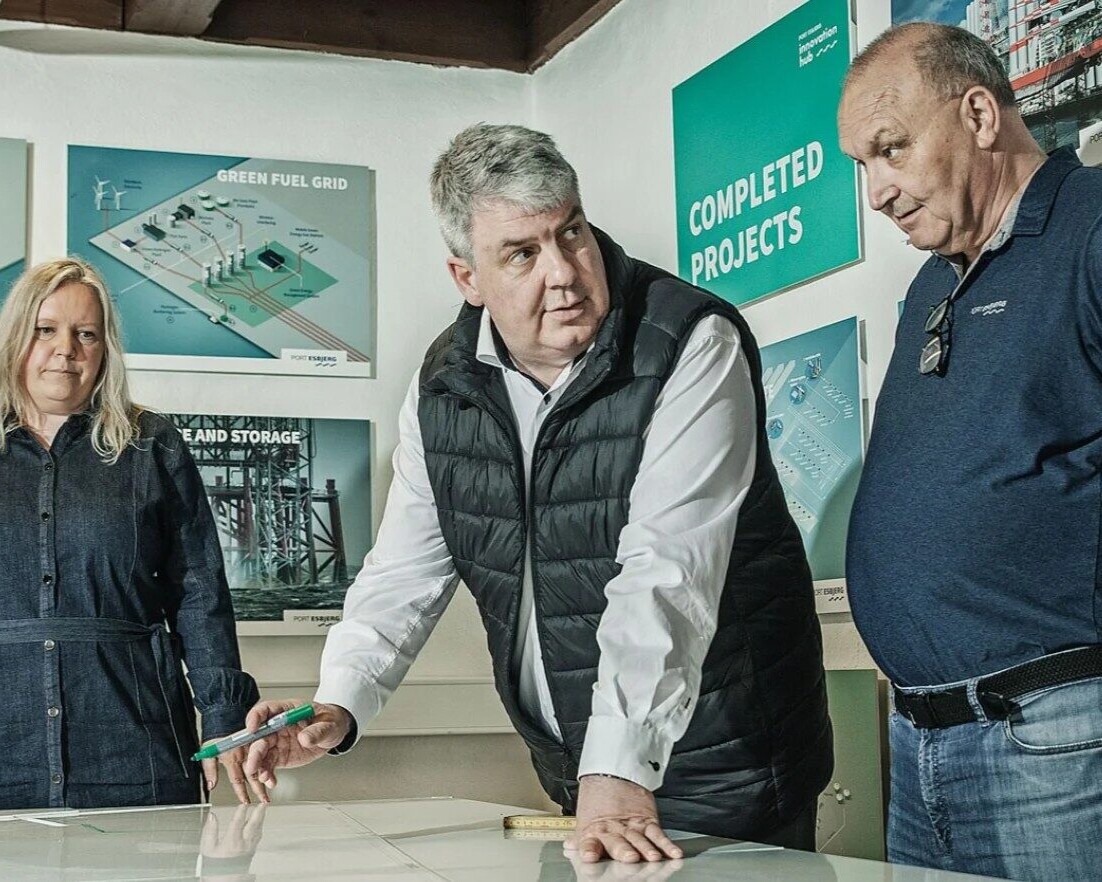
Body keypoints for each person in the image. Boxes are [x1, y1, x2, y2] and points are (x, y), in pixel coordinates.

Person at [244, 124, 832, 863]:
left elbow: (668, 569)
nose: (564, 271)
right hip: (580, 773)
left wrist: (617, 765)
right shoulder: (443, 387)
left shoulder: (689, 342)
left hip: (728, 766)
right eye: (522, 253)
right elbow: (403, 572)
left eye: (572, 233)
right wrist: (338, 702)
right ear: (467, 278)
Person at [838, 22, 1102, 882]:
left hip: (1054, 743)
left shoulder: (1092, 230)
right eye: (861, 165)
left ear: (981, 114)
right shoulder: (930, 284)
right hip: (918, 747)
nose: (876, 191)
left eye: (890, 149)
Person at [0, 258, 263, 809]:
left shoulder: (151, 444)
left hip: (134, 745)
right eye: (45, 329)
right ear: (17, 335)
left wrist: (221, 717)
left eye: (85, 333)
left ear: (104, 349)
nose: (65, 349)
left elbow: (199, 590)